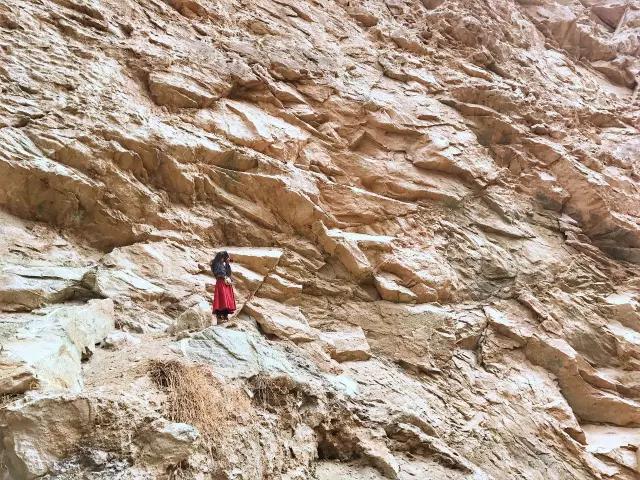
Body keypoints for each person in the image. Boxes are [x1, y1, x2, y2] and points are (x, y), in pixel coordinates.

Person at [210, 251, 236, 322]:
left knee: (226, 299)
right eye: (225, 258)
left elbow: (228, 273)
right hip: (221, 282)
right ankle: (220, 316)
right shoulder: (216, 264)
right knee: (221, 299)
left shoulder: (222, 264)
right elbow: (218, 273)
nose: (225, 259)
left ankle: (225, 315)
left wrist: (227, 264)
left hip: (226, 283)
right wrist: (224, 277)